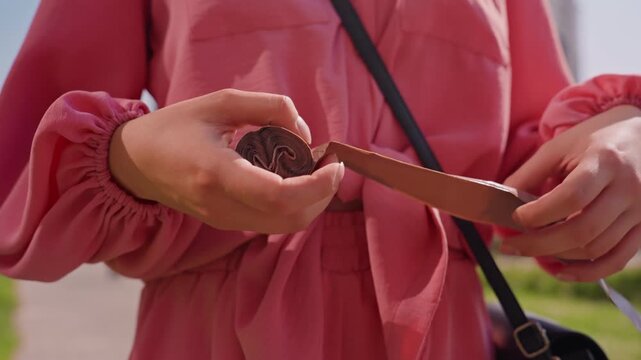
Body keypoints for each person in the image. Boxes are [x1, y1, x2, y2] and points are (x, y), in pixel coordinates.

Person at [1, 0, 640, 359]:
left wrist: (625, 139)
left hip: (445, 334)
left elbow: (537, 154)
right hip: (214, 332)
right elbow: (20, 163)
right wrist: (131, 158)